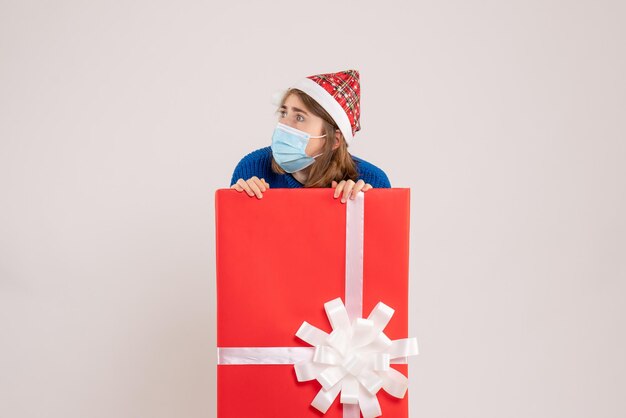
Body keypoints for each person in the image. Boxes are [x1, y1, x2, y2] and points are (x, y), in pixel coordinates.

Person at [230, 69, 391, 204]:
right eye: (284, 113)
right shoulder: (252, 169)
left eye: (299, 117)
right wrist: (240, 205)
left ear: (334, 140)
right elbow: (236, 240)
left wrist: (361, 207)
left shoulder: (374, 182)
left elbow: (383, 241)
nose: (284, 125)